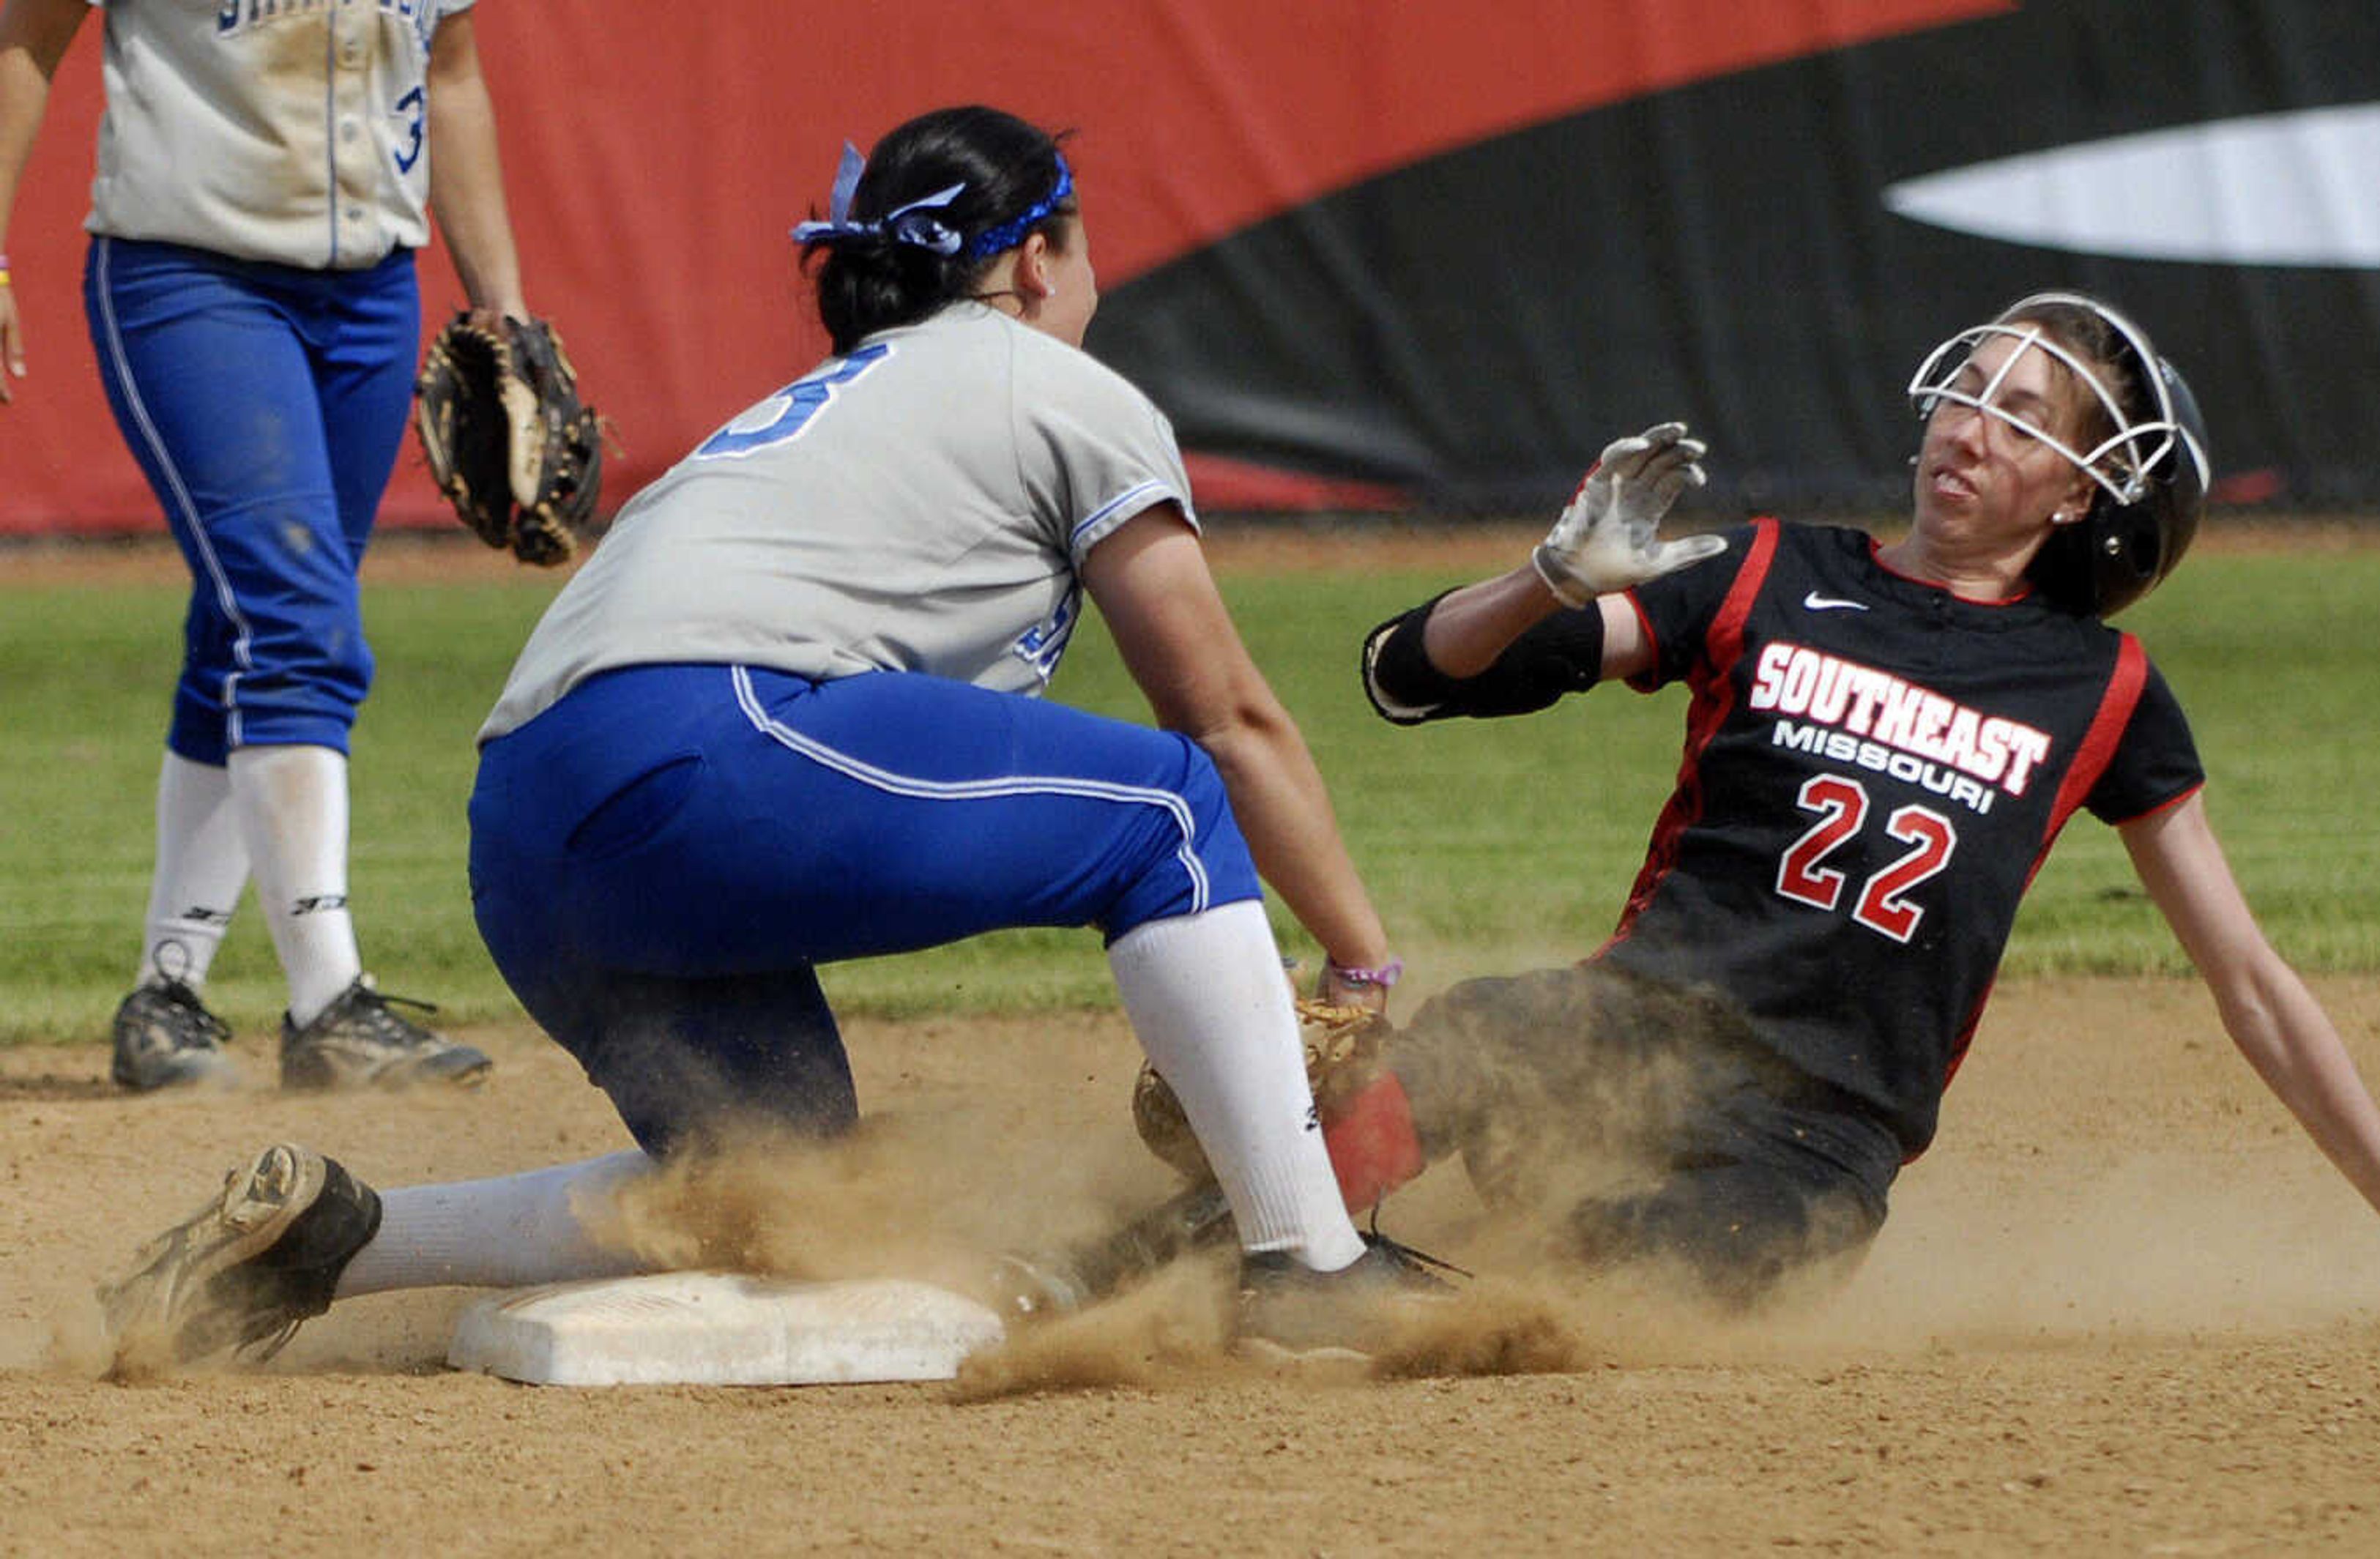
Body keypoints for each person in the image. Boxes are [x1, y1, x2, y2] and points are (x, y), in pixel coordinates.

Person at [93, 105, 1434, 1374]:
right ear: (1036, 257)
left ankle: (339, 1238)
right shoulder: (1057, 385)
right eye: (1076, 246)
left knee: (788, 1191)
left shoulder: (828, 404)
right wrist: (1360, 969)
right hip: (702, 742)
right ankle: (1305, 1263)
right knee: (1170, 809)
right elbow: (1229, 719)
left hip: (523, 828)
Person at [1321, 291, 2380, 1326]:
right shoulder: (1770, 570)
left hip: (1811, 1148)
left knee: (1585, 1302)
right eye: (1964, 393)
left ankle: (1380, 1285)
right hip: (1625, 1040)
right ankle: (1236, 1238)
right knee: (1473, 1047)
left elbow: (2250, 982)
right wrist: (1543, 580)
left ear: (2078, 495)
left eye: (2019, 419)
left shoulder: (2102, 690)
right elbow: (1415, 675)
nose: (1967, 430)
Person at [0, 0, 517, 1090]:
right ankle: (330, 1000)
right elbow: (22, 42)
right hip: (192, 279)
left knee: (244, 626)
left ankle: (166, 994)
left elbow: (456, 74)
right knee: (297, 624)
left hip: (372, 296)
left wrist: (502, 313)